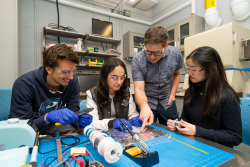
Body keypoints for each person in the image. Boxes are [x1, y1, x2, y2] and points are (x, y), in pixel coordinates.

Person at [167, 46, 242, 147]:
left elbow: (234, 137)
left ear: (210, 69)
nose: (189, 73)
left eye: (194, 69)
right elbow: (185, 119)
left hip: (219, 150)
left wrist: (197, 131)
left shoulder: (227, 97)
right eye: (188, 68)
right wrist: (177, 124)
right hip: (196, 145)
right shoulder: (190, 92)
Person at [9, 44, 93, 135]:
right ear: (49, 69)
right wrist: (47, 117)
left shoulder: (72, 82)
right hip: (28, 130)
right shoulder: (24, 84)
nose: (71, 77)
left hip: (53, 128)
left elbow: (73, 112)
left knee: (80, 133)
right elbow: (23, 129)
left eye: (72, 71)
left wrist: (78, 120)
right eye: (65, 72)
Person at [132, 25, 183, 130]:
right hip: (147, 100)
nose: (152, 57)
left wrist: (173, 94)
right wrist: (144, 106)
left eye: (157, 52)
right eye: (148, 52)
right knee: (146, 131)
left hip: (167, 100)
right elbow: (139, 89)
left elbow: (177, 74)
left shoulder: (175, 54)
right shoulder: (138, 60)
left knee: (175, 130)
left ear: (166, 45)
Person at [86, 57, 142, 131]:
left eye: (122, 77)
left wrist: (135, 118)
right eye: (115, 78)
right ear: (105, 76)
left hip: (122, 133)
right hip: (103, 134)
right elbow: (92, 122)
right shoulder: (92, 94)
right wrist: (111, 123)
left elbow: (132, 114)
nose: (119, 82)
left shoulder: (126, 92)